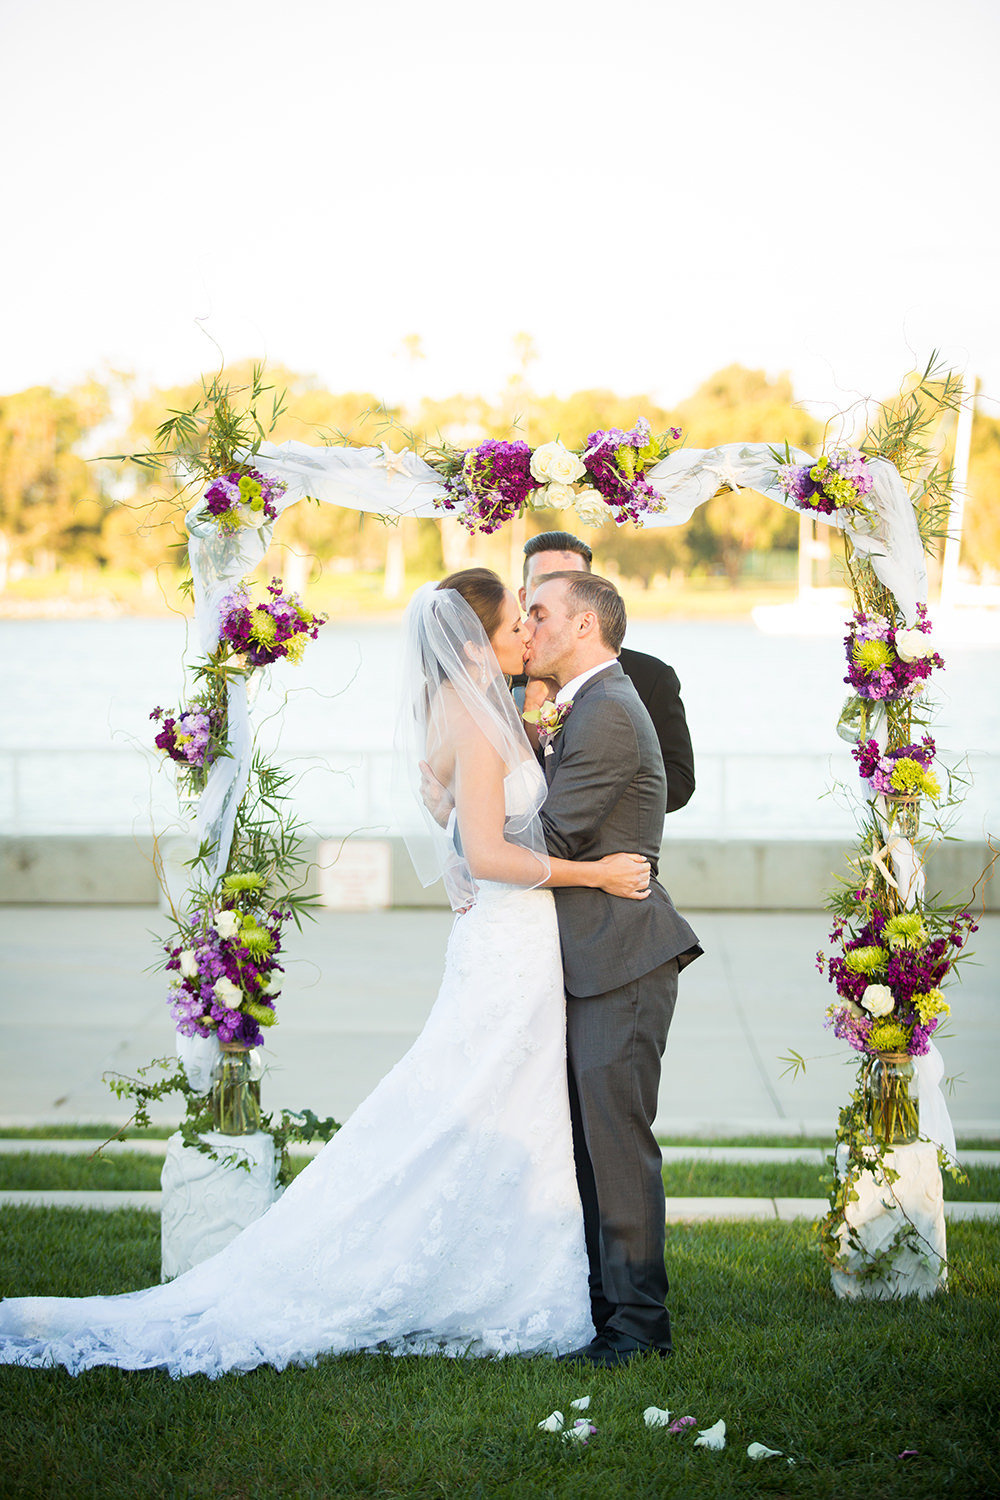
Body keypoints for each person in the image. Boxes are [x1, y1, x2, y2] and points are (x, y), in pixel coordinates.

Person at [0, 568, 653, 1376]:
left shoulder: (468, 710)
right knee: (477, 1099)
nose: (527, 632)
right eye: (516, 621)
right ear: (480, 643)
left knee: (485, 1101)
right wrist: (600, 875)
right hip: (510, 941)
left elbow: (458, 822)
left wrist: (459, 821)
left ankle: (509, 1273)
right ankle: (501, 1284)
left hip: (507, 938)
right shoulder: (483, 722)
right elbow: (489, 852)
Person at [523, 570, 702, 1367]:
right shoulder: (586, 705)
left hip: (622, 959)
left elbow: (547, 843)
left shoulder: (606, 715)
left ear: (586, 627)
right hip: (591, 956)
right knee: (591, 1146)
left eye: (540, 614)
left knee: (618, 1145)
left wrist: (470, 833)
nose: (528, 627)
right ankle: (605, 1311)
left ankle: (639, 1328)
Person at [518, 531, 695, 815]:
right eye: (543, 582)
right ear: (525, 596)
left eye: (569, 580)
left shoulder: (649, 677)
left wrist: (587, 800)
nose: (555, 588)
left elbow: (679, 781)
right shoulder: (503, 677)